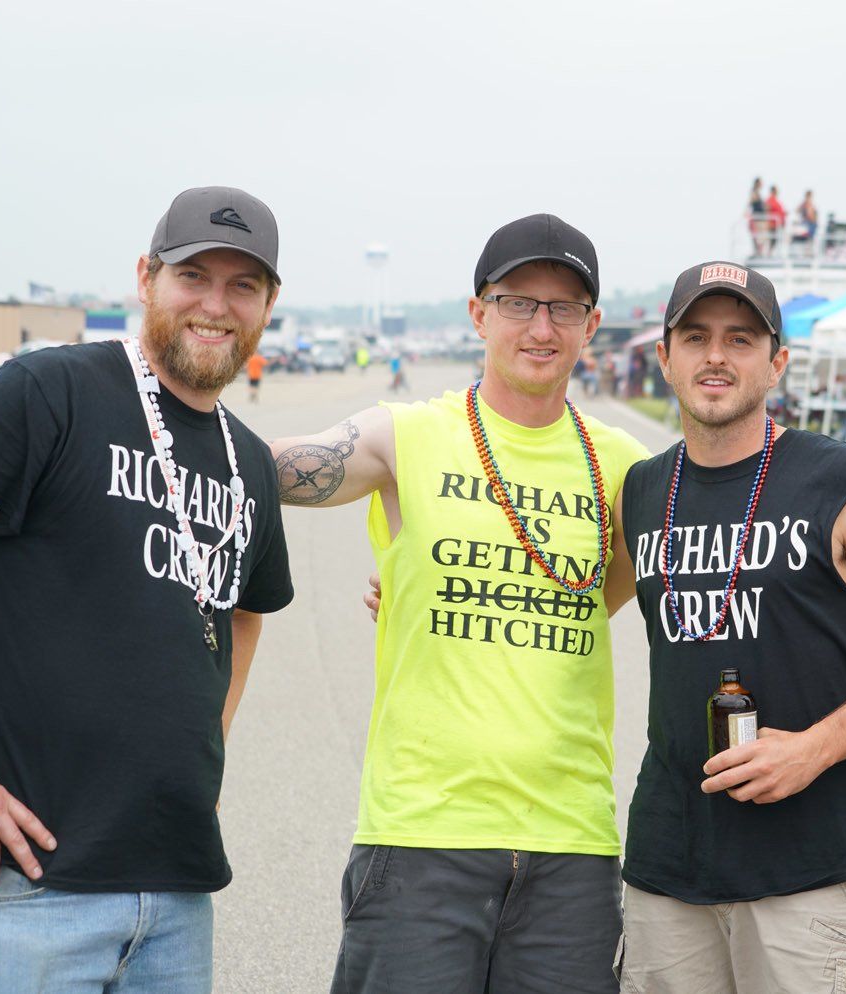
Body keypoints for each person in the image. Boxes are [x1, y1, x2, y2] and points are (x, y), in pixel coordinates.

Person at [0, 185, 294, 994]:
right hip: (35, 887)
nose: (216, 306)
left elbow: (245, 612)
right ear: (146, 277)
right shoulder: (49, 394)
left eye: (243, 285)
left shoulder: (247, 460)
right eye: (194, 276)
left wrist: (206, 762)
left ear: (268, 305)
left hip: (180, 890)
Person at [270, 213, 648, 994]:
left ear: (592, 326)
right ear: (478, 313)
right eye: (518, 303)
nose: (541, 327)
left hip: (571, 848)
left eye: (565, 308)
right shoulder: (405, 436)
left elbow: (735, 504)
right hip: (420, 840)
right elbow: (269, 469)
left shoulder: (626, 470)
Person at [613, 261, 846, 992]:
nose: (716, 356)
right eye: (696, 336)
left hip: (810, 869)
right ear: (664, 358)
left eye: (741, 339)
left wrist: (812, 750)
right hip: (667, 867)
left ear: (777, 362)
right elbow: (570, 596)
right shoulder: (644, 489)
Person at [792, 190, 818, 254]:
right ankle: (807, 252)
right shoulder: (805, 204)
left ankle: (808, 252)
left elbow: (813, 217)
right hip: (806, 225)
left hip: (810, 226)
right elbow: (797, 210)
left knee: (810, 240)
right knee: (807, 240)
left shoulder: (810, 205)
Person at [747, 177, 766, 257]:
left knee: (761, 237)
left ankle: (759, 252)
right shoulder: (754, 192)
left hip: (760, 218)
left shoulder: (757, 192)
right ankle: (758, 252)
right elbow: (751, 202)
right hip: (758, 218)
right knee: (758, 237)